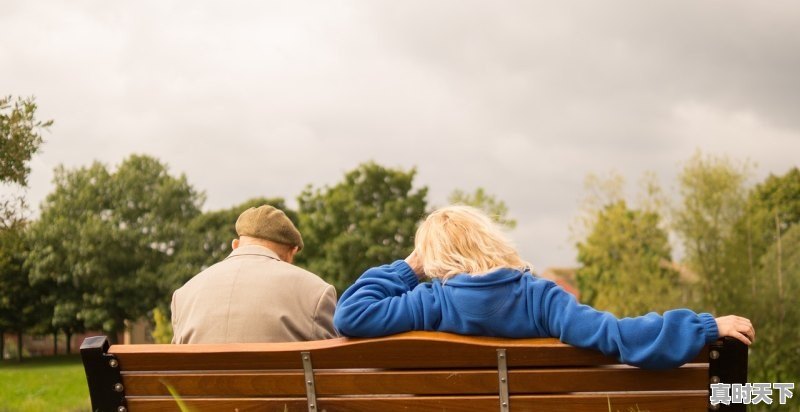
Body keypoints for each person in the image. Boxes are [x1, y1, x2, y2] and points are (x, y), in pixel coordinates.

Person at [333, 205, 755, 369]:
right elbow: (616, 335)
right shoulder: (540, 297)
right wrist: (703, 327)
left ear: (434, 259)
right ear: (491, 241)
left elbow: (350, 314)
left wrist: (409, 268)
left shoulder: (428, 301)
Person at [172, 205, 337, 343]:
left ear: (235, 245)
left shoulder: (183, 295)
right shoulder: (316, 292)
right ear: (291, 252)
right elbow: (332, 369)